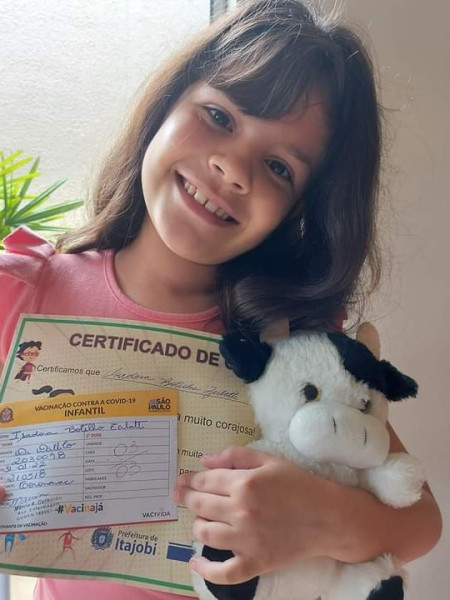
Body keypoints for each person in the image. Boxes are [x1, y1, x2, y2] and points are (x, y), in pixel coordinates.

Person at [0, 1, 442, 599]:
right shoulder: (21, 291)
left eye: (279, 167)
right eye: (219, 116)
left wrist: (322, 517)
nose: (232, 170)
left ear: (300, 208)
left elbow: (420, 521)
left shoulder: (298, 337)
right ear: (167, 103)